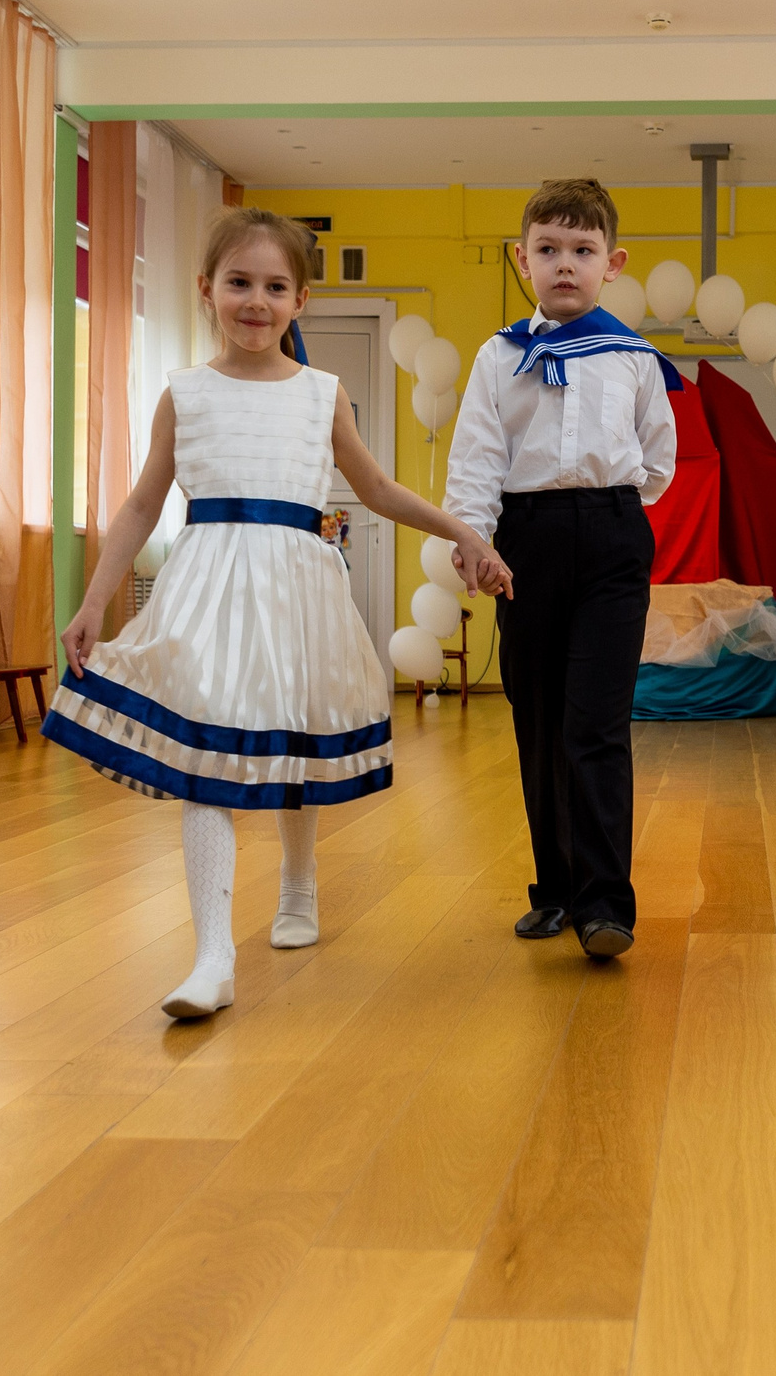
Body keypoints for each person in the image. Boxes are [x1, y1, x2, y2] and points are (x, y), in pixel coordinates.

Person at [48, 207, 509, 1020]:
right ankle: (213, 954)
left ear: (301, 300)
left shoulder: (322, 395)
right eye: (238, 283)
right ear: (206, 290)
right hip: (207, 584)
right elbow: (141, 505)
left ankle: (298, 887)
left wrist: (461, 528)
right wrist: (93, 602)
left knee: (285, 738)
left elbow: (374, 487)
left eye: (274, 286)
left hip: (297, 584)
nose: (254, 301)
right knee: (206, 753)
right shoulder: (184, 394)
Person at [445, 178, 675, 958]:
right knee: (539, 720)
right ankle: (556, 889)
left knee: (596, 724)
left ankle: (607, 904)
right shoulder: (498, 355)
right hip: (527, 541)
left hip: (613, 537)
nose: (564, 264)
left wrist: (607, 511)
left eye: (582, 251)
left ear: (612, 263)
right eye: (548, 250)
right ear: (523, 259)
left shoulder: (634, 357)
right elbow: (478, 454)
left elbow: (659, 461)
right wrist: (475, 535)